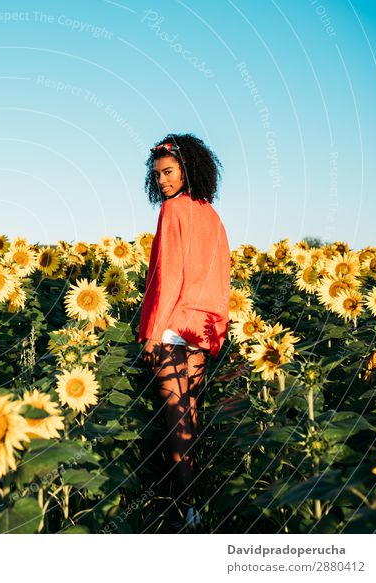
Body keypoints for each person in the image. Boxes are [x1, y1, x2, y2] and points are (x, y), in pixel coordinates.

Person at [137, 133, 231, 530]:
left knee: (175, 420)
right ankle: (199, 499)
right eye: (157, 175)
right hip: (203, 326)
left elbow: (168, 275)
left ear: (187, 169)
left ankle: (186, 508)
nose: (162, 182)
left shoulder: (173, 209)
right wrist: (217, 331)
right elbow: (222, 273)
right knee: (190, 412)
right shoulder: (211, 214)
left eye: (168, 172)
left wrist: (154, 332)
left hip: (173, 325)